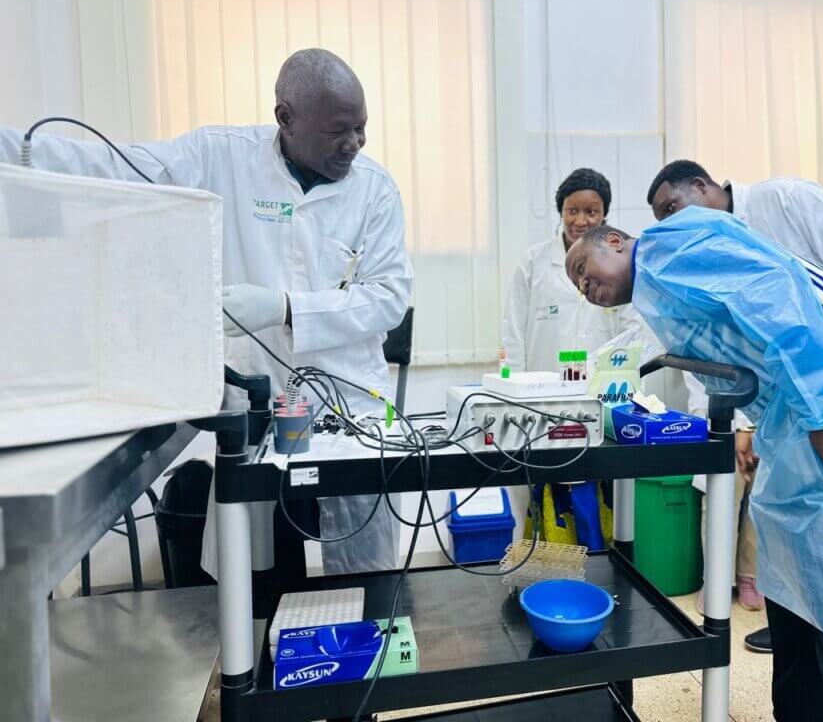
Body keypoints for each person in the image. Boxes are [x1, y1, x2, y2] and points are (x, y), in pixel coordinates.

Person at [0, 49, 412, 582]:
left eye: (361, 128)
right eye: (339, 131)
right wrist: (15, 152)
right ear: (285, 118)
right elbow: (116, 168)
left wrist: (286, 308)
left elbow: (388, 297)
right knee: (255, 580)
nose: (354, 144)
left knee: (366, 580)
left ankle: (366, 653)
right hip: (257, 409)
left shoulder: (375, 190)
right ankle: (256, 656)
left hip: (350, 402)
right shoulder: (221, 157)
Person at [564, 214, 823, 722]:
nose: (586, 286)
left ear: (615, 239)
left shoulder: (667, 250)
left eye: (584, 268)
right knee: (801, 590)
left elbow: (774, 296)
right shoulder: (659, 288)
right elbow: (743, 341)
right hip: (799, 417)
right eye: (578, 285)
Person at [647, 159, 823, 650]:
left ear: (702, 185)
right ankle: (797, 626)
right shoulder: (712, 249)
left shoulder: (784, 199)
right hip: (787, 408)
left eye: (673, 208)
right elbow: (729, 344)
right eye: (662, 221)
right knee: (795, 520)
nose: (673, 226)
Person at [502, 168, 644, 548]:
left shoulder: (619, 266)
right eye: (572, 210)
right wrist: (512, 391)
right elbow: (513, 333)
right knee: (543, 492)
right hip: (541, 400)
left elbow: (633, 332)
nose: (581, 220)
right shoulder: (533, 264)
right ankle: (544, 564)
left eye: (592, 212)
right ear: (560, 212)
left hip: (600, 399)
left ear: (605, 217)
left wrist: (626, 389)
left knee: (597, 493)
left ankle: (602, 563)